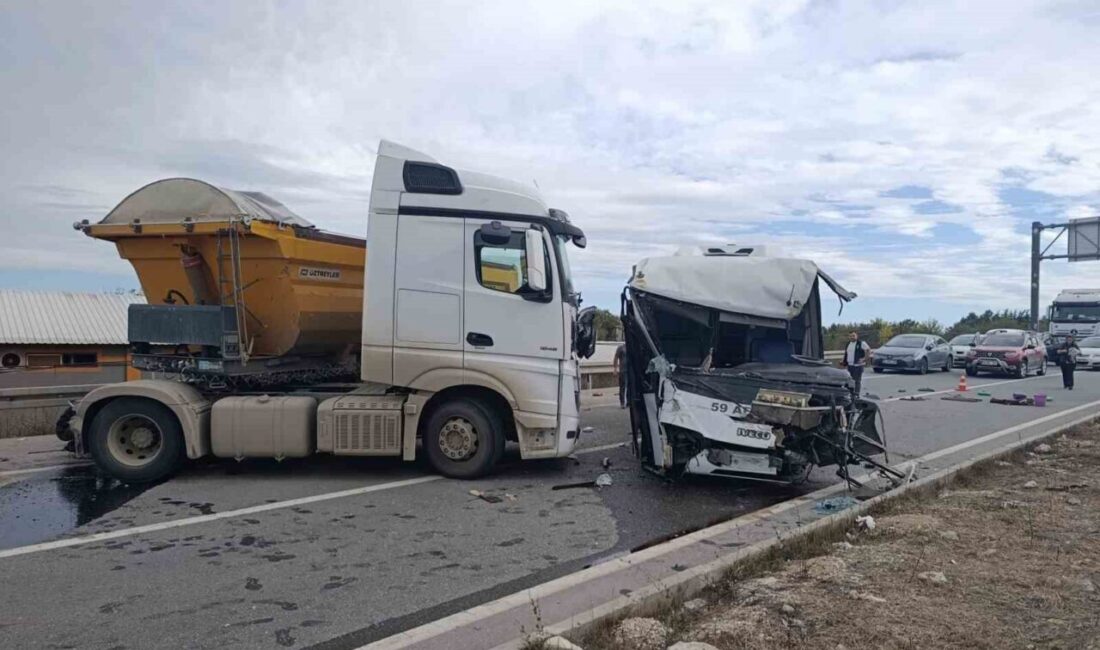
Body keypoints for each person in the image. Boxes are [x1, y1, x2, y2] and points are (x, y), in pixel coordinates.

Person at [842, 331, 871, 397]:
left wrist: (864, 359)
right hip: (850, 365)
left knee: (857, 380)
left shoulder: (861, 343)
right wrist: (843, 361)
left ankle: (856, 394)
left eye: (853, 335)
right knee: (849, 380)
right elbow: (846, 353)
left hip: (858, 365)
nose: (852, 337)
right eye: (850, 336)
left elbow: (868, 350)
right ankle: (850, 394)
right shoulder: (848, 344)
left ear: (857, 336)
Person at [613, 342, 629, 408]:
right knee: (623, 386)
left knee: (630, 387)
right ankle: (622, 402)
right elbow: (616, 357)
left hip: (630, 370)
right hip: (623, 370)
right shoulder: (621, 348)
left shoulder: (631, 347)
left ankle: (629, 402)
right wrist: (615, 369)